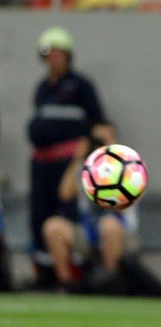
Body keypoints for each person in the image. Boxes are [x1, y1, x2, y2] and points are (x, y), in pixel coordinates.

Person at [42, 127, 161, 298]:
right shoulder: (86, 169)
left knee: (108, 225)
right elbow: (65, 194)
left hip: (121, 233)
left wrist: (112, 153)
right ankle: (68, 286)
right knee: (53, 227)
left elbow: (132, 195)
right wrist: (78, 158)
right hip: (89, 232)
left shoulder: (129, 167)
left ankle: (109, 284)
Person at [27, 26, 111, 288]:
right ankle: (44, 271)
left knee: (67, 212)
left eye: (56, 52)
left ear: (67, 54)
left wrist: (90, 151)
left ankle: (75, 274)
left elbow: (99, 123)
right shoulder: (42, 87)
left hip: (68, 161)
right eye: (47, 53)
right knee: (40, 214)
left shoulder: (80, 85)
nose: (51, 58)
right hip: (42, 162)